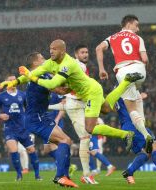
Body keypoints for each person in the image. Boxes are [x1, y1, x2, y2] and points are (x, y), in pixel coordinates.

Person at [0, 39, 143, 152]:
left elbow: (51, 84)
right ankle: (125, 82)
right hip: (89, 90)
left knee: (90, 129)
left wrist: (31, 76)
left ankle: (126, 134)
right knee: (106, 108)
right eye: (50, 49)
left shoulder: (67, 64)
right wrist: (15, 82)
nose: (51, 52)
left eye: (54, 49)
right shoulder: (51, 63)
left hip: (90, 92)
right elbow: (33, 74)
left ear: (62, 51)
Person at [13, 52, 78, 187]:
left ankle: (65, 176)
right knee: (65, 140)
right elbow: (59, 90)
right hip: (36, 118)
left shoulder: (41, 75)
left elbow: (59, 84)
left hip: (40, 116)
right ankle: (60, 176)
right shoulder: (38, 76)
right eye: (42, 58)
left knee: (65, 142)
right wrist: (77, 86)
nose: (46, 59)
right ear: (36, 63)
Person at [96, 14, 153, 153]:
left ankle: (146, 135)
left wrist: (102, 69)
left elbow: (98, 48)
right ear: (128, 24)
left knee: (131, 109)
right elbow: (145, 59)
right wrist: (146, 70)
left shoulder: (112, 37)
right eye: (136, 25)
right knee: (136, 100)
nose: (138, 29)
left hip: (123, 72)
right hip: (139, 69)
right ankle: (146, 135)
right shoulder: (138, 38)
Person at [48, 44, 98, 184]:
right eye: (82, 52)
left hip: (79, 103)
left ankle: (87, 173)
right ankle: (86, 174)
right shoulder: (78, 66)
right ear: (76, 54)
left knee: (87, 136)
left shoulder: (81, 66)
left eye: (87, 52)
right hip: (75, 105)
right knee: (85, 137)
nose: (86, 54)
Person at [115, 96, 156, 184]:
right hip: (134, 125)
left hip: (125, 127)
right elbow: (132, 106)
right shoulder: (127, 89)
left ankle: (129, 172)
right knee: (154, 146)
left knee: (146, 152)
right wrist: (138, 98)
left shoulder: (116, 91)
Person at [0, 76, 41, 181]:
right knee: (14, 151)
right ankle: (19, 175)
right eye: (11, 80)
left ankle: (37, 175)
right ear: (7, 82)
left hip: (23, 128)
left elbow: (28, 109)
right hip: (10, 128)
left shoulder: (22, 95)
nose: (14, 81)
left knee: (31, 150)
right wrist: (0, 115)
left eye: (15, 79)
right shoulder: (1, 96)